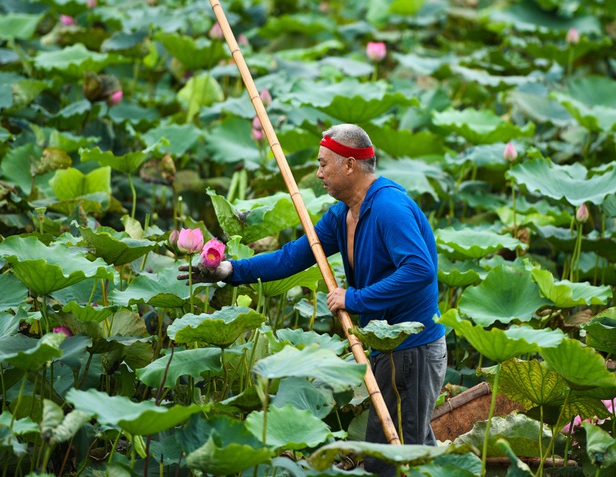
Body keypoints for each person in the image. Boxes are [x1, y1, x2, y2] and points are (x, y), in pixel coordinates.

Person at [179, 124, 447, 476]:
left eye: (324, 164)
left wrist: (356, 298)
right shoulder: (344, 213)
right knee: (382, 458)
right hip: (387, 347)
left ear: (349, 165)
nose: (318, 173)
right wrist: (230, 270)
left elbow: (419, 271)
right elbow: (293, 257)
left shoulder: (388, 208)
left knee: (405, 458)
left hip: (411, 351)